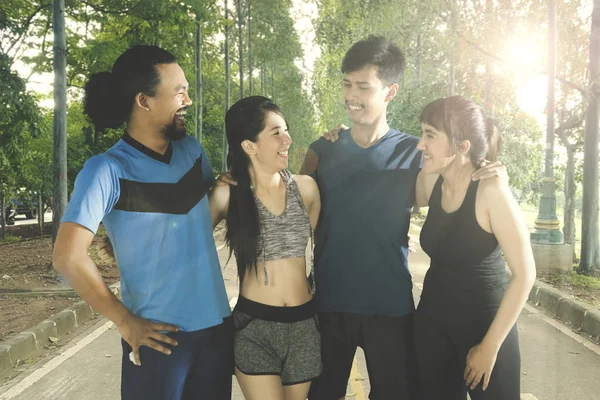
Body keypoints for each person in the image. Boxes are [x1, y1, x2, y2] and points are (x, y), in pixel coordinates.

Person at [301, 36, 505, 400]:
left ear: (390, 91)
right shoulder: (321, 150)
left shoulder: (418, 151)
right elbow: (297, 216)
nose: (352, 95)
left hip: (391, 306)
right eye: (347, 84)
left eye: (364, 87)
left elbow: (460, 164)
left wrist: (493, 168)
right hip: (330, 304)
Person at [52, 45, 233, 400]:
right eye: (179, 91)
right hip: (159, 338)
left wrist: (222, 196)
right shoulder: (106, 170)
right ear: (144, 101)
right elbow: (67, 257)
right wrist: (125, 321)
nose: (189, 100)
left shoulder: (193, 152)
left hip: (216, 329)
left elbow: (195, 227)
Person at [413, 96, 536, 399]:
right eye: (422, 133)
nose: (420, 144)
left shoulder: (491, 190)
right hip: (432, 325)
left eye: (430, 135)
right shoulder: (430, 181)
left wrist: (490, 347)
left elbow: (525, 274)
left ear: (462, 147)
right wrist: (345, 138)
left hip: (486, 327)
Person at [209, 96, 322, 400]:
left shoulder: (307, 189)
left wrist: (335, 139)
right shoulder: (227, 194)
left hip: (303, 326)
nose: (288, 139)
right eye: (276, 133)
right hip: (254, 327)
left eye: (285, 130)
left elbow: (322, 252)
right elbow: (187, 241)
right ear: (249, 146)